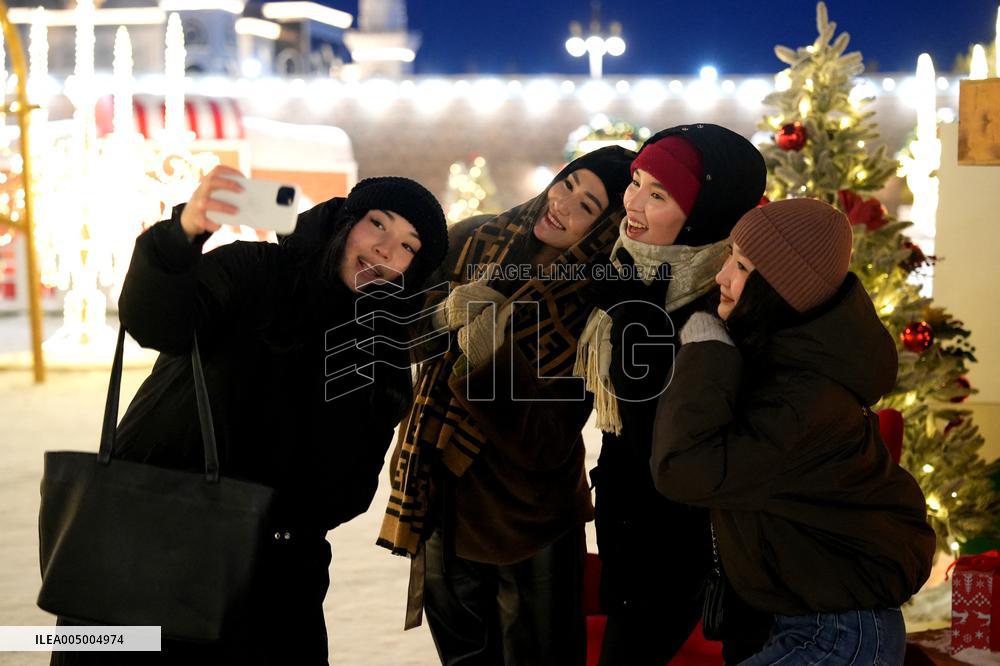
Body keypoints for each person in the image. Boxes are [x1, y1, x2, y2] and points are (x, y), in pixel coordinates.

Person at [52, 167, 448, 666]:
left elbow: (348, 489)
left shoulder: (382, 351)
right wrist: (182, 235)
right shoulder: (257, 269)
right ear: (346, 223)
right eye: (378, 224)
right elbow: (156, 319)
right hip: (155, 539)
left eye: (409, 246)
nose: (387, 250)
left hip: (275, 574)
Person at [650, 198, 936, 665]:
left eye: (740, 265)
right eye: (729, 257)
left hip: (837, 633)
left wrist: (704, 350)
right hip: (797, 618)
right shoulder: (779, 362)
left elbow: (684, 470)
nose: (722, 276)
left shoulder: (803, 399)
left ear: (778, 290)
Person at [377, 147, 634, 665]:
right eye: (568, 184)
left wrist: (487, 353)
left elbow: (547, 438)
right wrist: (448, 312)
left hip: (529, 520)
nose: (562, 206)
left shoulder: (598, 301)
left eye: (587, 206)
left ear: (604, 228)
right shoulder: (473, 239)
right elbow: (398, 339)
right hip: (443, 499)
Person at [574, 124, 774, 665]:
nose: (632, 202)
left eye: (658, 194)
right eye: (636, 181)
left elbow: (685, 431)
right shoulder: (624, 272)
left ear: (705, 213)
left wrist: (639, 322)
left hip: (692, 551)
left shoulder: (733, 301)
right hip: (629, 533)